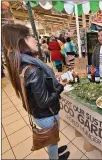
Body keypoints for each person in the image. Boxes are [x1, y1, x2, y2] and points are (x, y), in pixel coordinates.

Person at [2, 24, 70, 160]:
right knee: (51, 140)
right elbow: (44, 102)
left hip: (37, 113)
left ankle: (55, 149)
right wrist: (60, 86)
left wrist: (51, 78)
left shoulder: (20, 63)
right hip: (46, 114)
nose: (35, 39)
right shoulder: (33, 69)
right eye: (30, 36)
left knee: (52, 139)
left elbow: (34, 89)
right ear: (22, 41)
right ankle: (54, 156)